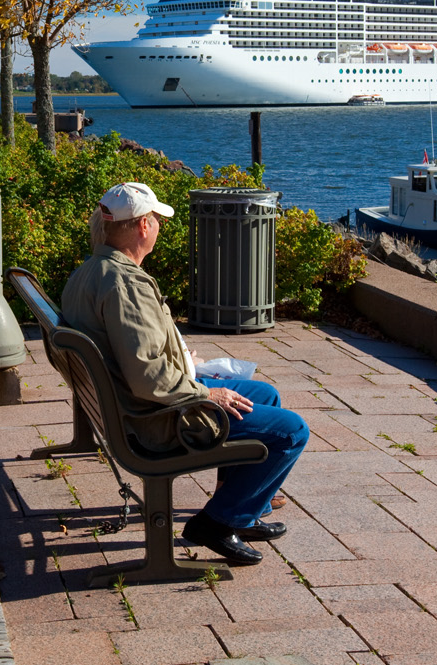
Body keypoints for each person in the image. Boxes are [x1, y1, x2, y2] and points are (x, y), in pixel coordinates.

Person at [60, 182, 308, 565]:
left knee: (264, 396)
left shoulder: (92, 271)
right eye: (156, 219)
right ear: (143, 225)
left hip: (128, 405)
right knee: (291, 431)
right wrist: (206, 395)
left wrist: (181, 360)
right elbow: (147, 376)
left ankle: (238, 504)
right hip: (153, 420)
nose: (159, 225)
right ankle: (217, 522)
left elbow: (137, 355)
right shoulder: (125, 284)